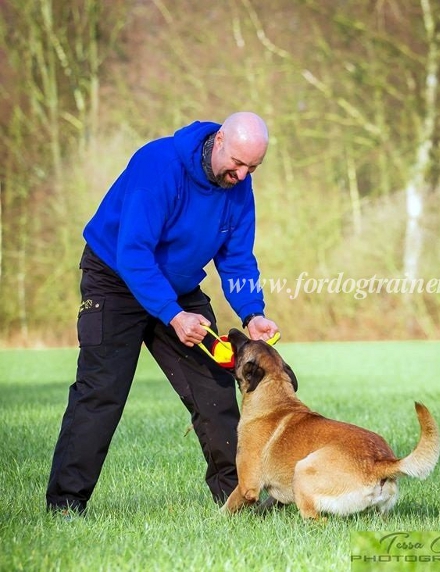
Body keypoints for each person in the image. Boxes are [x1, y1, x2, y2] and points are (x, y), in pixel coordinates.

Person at [46, 111, 279, 515]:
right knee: (101, 392)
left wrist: (252, 313)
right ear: (219, 140)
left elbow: (238, 258)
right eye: (238, 163)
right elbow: (133, 252)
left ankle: (237, 500)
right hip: (115, 279)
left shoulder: (240, 189)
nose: (242, 175)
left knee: (215, 389)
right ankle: (66, 504)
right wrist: (172, 315)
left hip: (179, 288)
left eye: (252, 167)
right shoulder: (158, 166)